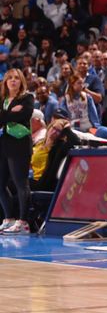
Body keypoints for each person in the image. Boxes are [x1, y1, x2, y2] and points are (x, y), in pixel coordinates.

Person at [0, 68, 34, 235]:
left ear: (21, 81)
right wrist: (9, 114)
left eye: (17, 78)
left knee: (21, 183)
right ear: (5, 82)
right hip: (4, 144)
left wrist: (5, 115)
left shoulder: (27, 98)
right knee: (0, 184)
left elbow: (24, 114)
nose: (13, 81)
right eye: (10, 78)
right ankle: (9, 219)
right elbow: (7, 118)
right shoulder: (3, 99)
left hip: (19, 145)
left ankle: (23, 222)